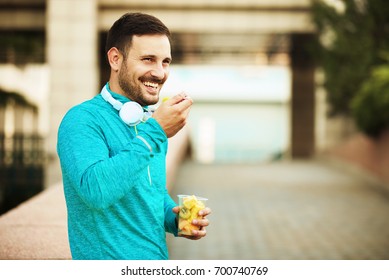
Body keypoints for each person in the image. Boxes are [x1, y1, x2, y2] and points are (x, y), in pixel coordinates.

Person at [57, 12, 211, 260]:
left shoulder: (147, 121)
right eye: (148, 59)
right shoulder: (81, 120)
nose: (160, 73)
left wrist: (176, 218)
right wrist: (157, 132)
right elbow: (96, 191)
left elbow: (150, 197)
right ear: (116, 59)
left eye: (165, 62)